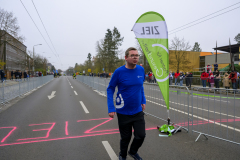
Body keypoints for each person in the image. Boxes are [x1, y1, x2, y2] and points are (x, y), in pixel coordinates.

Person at [107, 47, 146, 160]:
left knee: (141, 135)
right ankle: (122, 155)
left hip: (137, 111)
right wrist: (111, 107)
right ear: (126, 57)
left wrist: (143, 100)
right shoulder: (119, 72)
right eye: (132, 55)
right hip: (123, 111)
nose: (135, 57)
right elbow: (110, 89)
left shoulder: (140, 70)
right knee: (126, 138)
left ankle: (132, 152)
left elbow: (140, 87)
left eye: (137, 55)